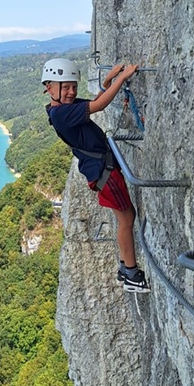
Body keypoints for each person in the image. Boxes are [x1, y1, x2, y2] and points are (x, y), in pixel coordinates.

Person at [42, 57, 150, 293]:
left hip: (102, 170)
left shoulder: (60, 108)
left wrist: (109, 79)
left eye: (73, 86)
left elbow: (93, 102)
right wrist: (122, 78)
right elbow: (98, 107)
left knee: (125, 217)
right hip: (105, 172)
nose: (71, 92)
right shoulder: (61, 115)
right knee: (126, 218)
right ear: (49, 87)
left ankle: (125, 268)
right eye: (66, 87)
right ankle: (131, 274)